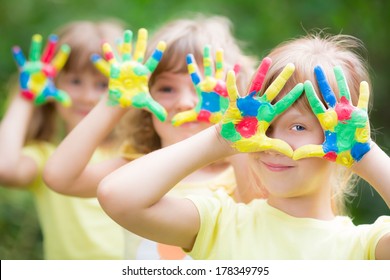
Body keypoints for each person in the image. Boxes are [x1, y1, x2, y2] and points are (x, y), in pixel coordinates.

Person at [96, 32, 390, 259]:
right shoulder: (220, 223)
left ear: (342, 138)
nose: (272, 142)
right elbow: (117, 197)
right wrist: (221, 139)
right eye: (266, 125)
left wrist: (365, 154)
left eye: (298, 126)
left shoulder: (363, 247)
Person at [43, 15, 256, 259]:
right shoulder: (135, 169)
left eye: (205, 90)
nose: (185, 102)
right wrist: (114, 101)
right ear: (145, 97)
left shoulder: (238, 173)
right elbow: (60, 178)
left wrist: (233, 129)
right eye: (167, 89)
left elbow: (260, 209)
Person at [0, 19, 126, 259]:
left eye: (102, 84)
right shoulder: (47, 157)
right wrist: (25, 95)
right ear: (53, 83)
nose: (87, 96)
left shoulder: (133, 152)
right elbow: (4, 168)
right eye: (75, 81)